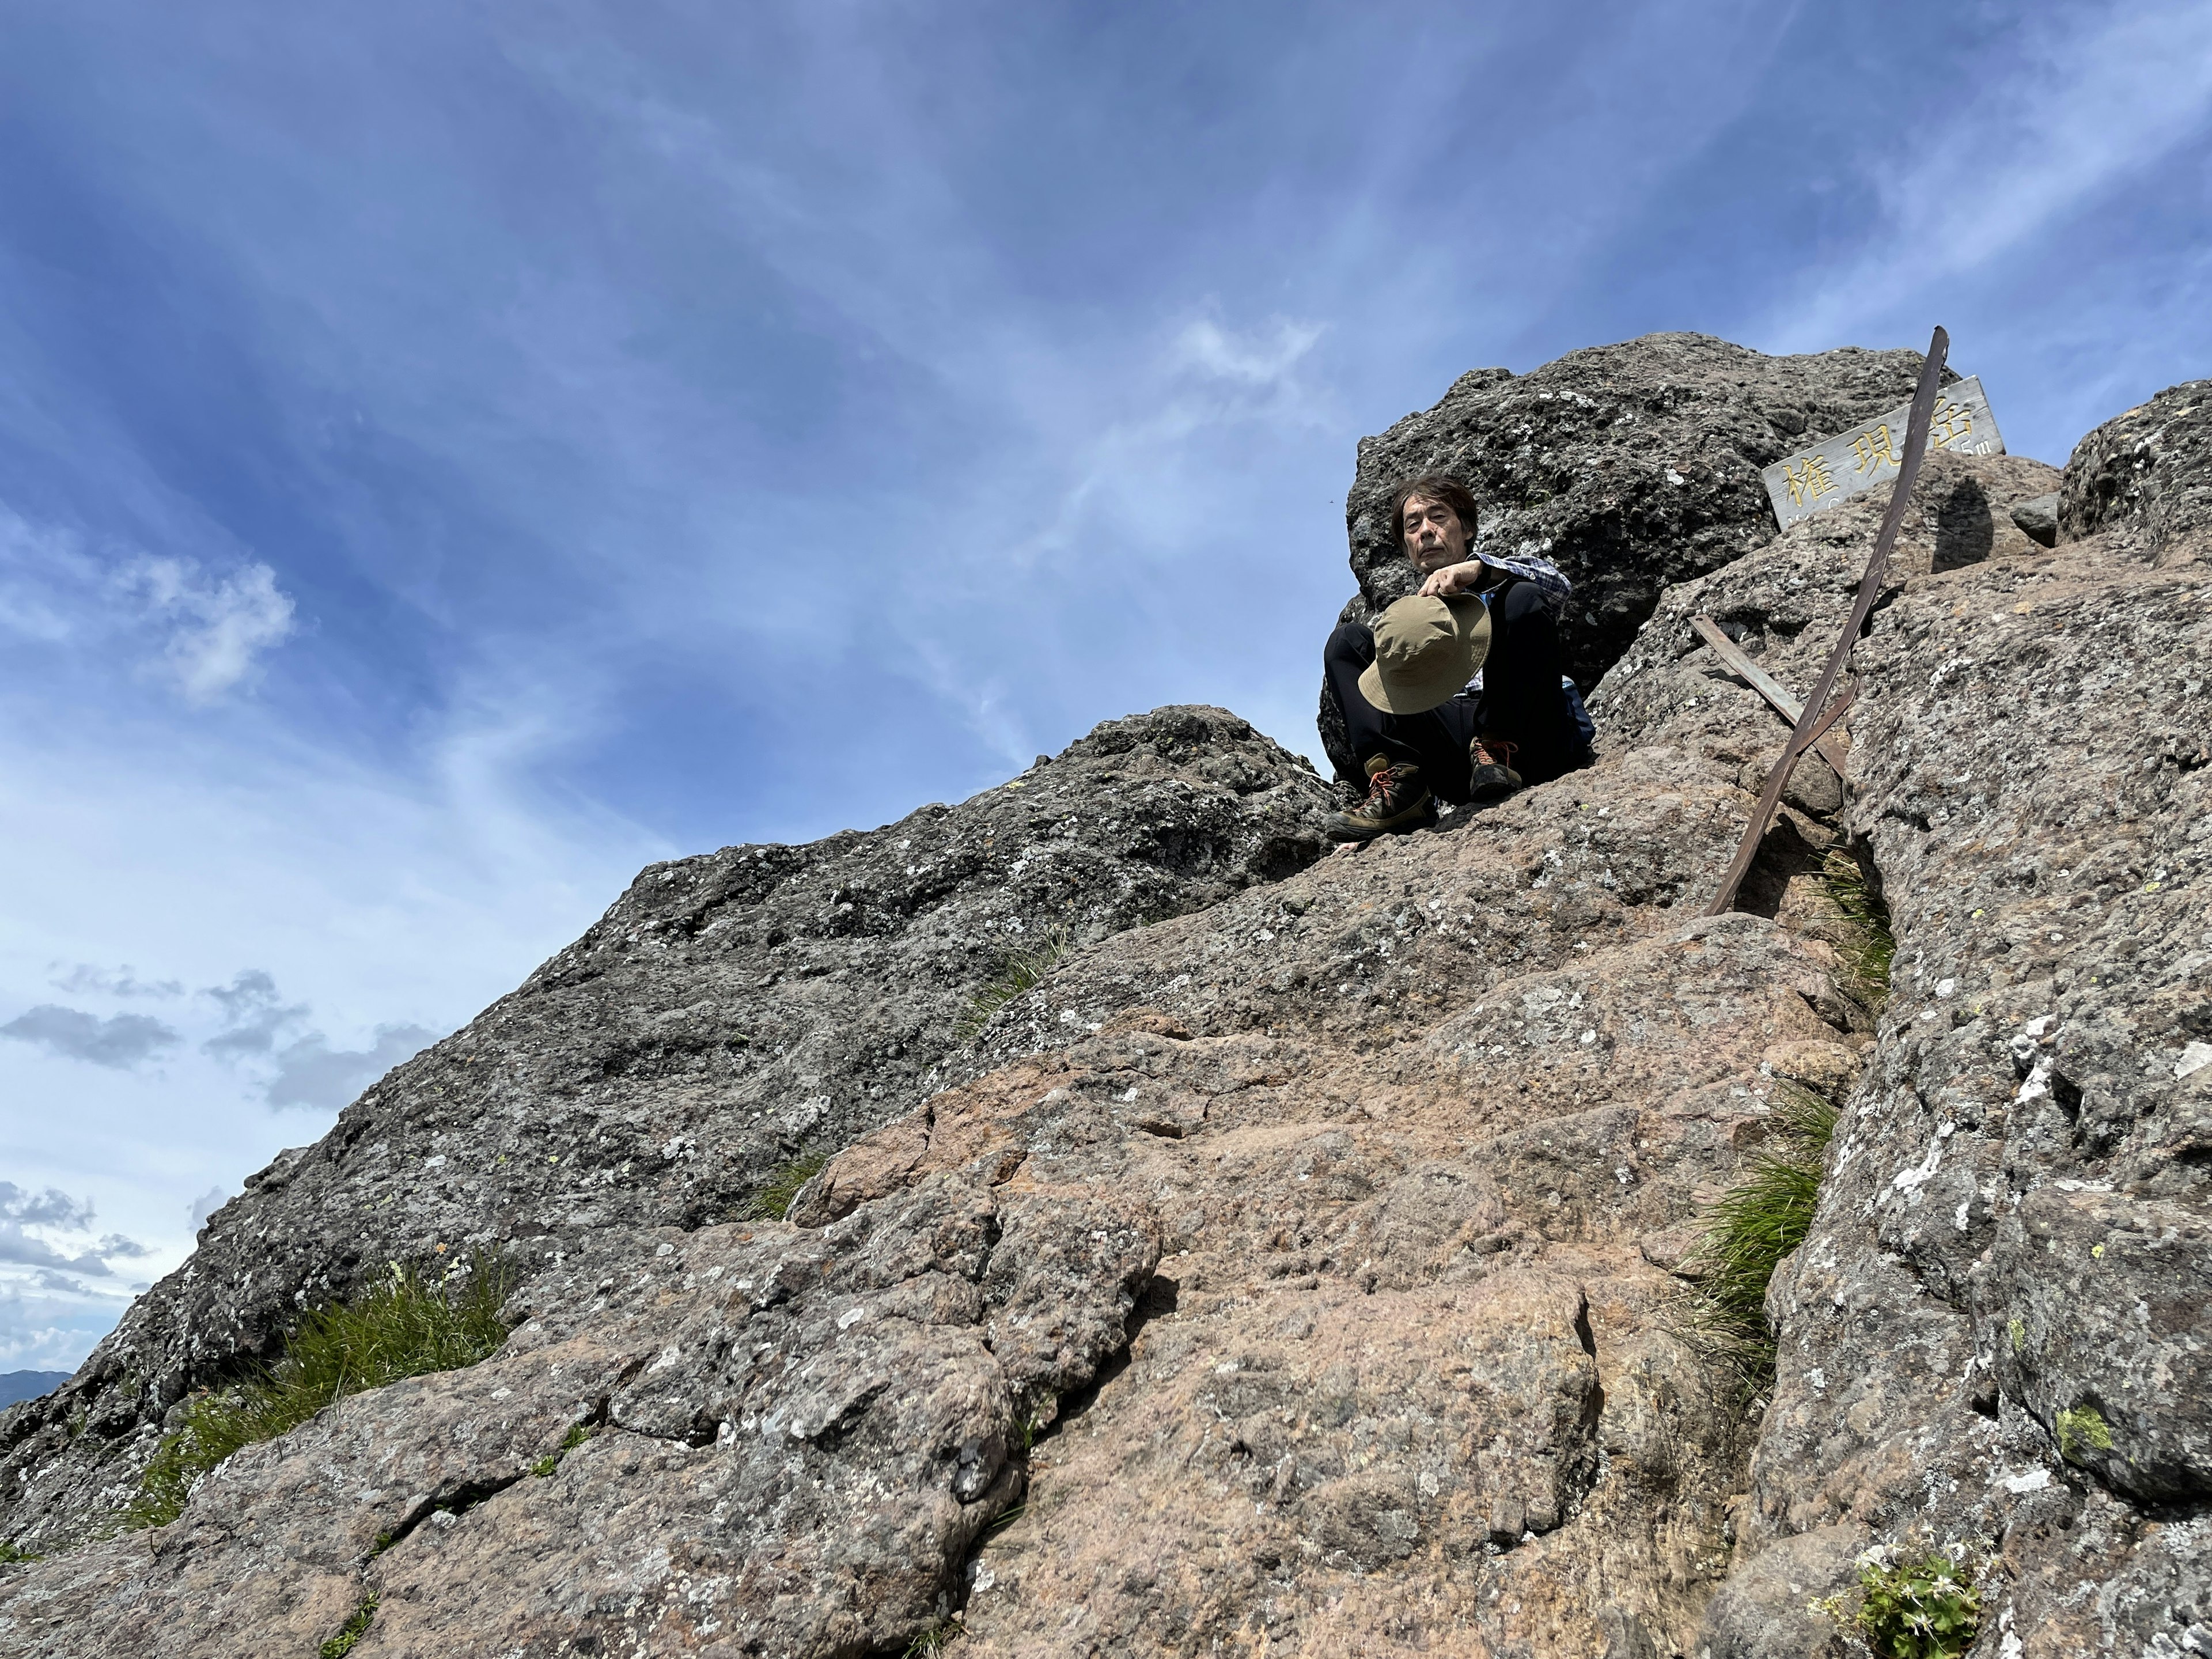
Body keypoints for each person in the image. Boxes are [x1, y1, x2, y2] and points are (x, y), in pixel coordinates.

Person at [1322, 473, 1593, 841]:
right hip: (1451, 753)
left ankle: (1498, 749)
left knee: (1523, 598)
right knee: (1348, 642)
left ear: (1466, 528)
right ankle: (1403, 789)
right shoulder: (1405, 621)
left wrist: (1479, 570)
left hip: (1530, 739)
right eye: (1413, 525)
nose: (1426, 531)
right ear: (1406, 546)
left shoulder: (1499, 585)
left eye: (1438, 517)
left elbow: (1558, 587)